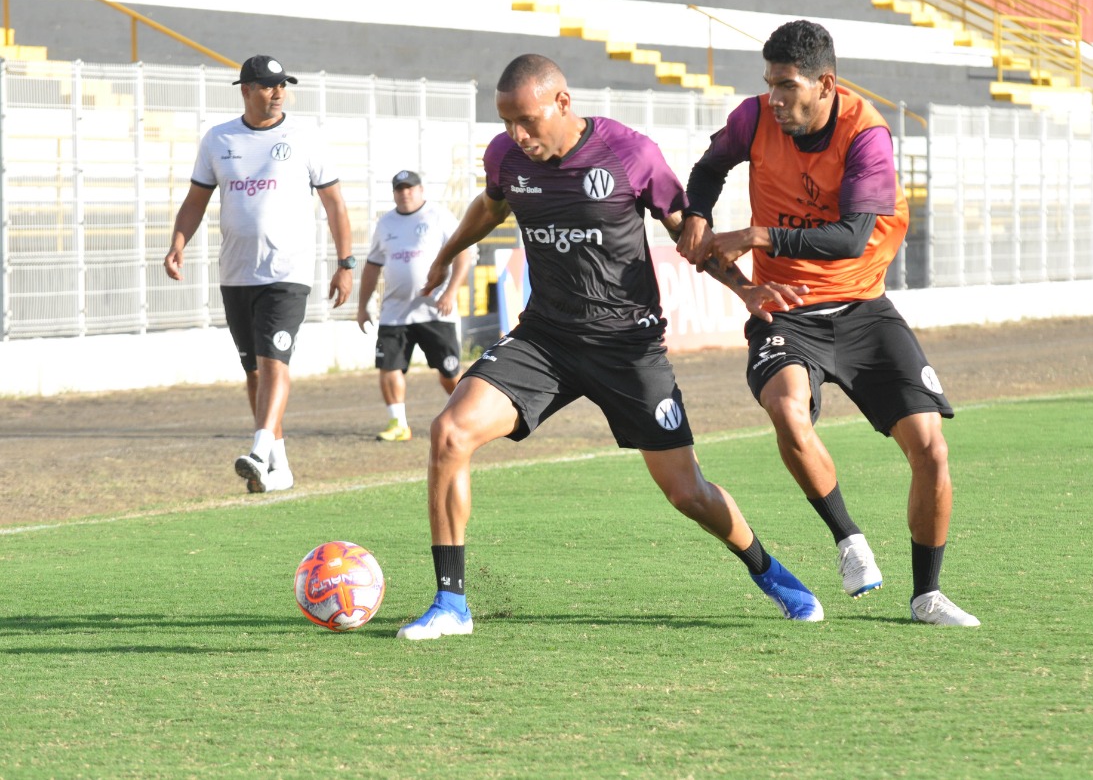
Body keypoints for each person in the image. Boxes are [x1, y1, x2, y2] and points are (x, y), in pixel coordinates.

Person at [397, 53, 822, 640]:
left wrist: (746, 290)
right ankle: (451, 603)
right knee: (449, 433)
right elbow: (491, 206)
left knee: (686, 492)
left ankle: (770, 572)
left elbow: (687, 235)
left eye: (527, 121)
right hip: (545, 339)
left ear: (563, 103)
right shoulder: (506, 157)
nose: (517, 136)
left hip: (628, 348)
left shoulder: (629, 153)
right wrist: (446, 255)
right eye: (505, 124)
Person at [678, 20, 980, 626]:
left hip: (863, 306)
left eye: (787, 85)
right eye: (769, 84)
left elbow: (852, 236)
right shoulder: (754, 118)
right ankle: (849, 540)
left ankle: (927, 596)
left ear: (825, 84)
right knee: (787, 410)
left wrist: (755, 233)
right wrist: (698, 215)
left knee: (933, 451)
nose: (775, 99)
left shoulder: (865, 132)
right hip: (785, 309)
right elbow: (708, 170)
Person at [164, 54, 354, 494]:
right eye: (268, 86)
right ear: (246, 89)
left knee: (274, 362)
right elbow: (196, 200)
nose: (278, 93)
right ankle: (279, 467)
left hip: (287, 271)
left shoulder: (304, 137)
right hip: (236, 273)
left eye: (282, 85)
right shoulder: (218, 139)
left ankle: (259, 447)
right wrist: (177, 243)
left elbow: (335, 205)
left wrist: (345, 264)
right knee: (253, 371)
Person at [356, 169, 471, 442]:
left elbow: (463, 256)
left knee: (449, 371)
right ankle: (398, 423)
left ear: (421, 190)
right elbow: (372, 266)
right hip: (395, 312)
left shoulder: (439, 216)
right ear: (394, 193)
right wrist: (363, 305)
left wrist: (450, 293)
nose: (405, 193)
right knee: (389, 368)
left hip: (434, 309)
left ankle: (467, 416)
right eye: (399, 189)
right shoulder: (385, 223)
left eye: (410, 188)